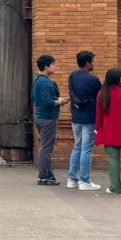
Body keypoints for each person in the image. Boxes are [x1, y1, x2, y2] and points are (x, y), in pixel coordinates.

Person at [94, 68, 121, 194]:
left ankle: (115, 187)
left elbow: (98, 114)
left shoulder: (102, 93)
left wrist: (97, 128)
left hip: (109, 131)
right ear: (117, 79)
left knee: (113, 161)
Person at [67, 51, 103, 191]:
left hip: (75, 117)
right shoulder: (93, 80)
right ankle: (85, 181)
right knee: (87, 149)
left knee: (77, 147)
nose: (94, 64)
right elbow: (101, 95)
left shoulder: (72, 76)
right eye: (93, 61)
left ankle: (72, 179)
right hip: (89, 118)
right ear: (87, 64)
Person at [32, 54, 69, 185]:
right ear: (46, 67)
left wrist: (58, 100)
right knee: (46, 148)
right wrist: (59, 102)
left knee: (46, 147)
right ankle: (43, 176)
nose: (54, 67)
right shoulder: (44, 82)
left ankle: (48, 174)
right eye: (53, 64)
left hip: (41, 117)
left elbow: (38, 99)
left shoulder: (37, 80)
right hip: (47, 118)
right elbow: (47, 101)